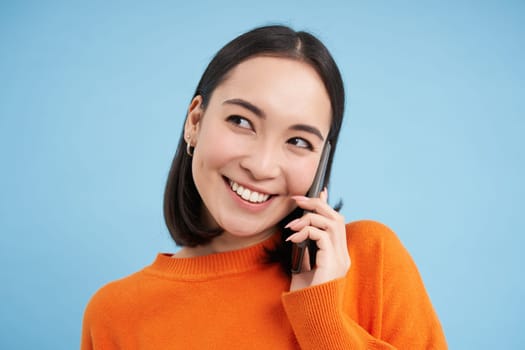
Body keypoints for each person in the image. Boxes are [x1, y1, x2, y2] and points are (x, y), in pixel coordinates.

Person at [81, 25, 447, 349]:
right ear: (195, 121)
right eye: (241, 121)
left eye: (299, 141)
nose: (261, 166)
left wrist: (320, 315)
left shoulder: (370, 259)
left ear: (322, 161)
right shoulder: (116, 313)